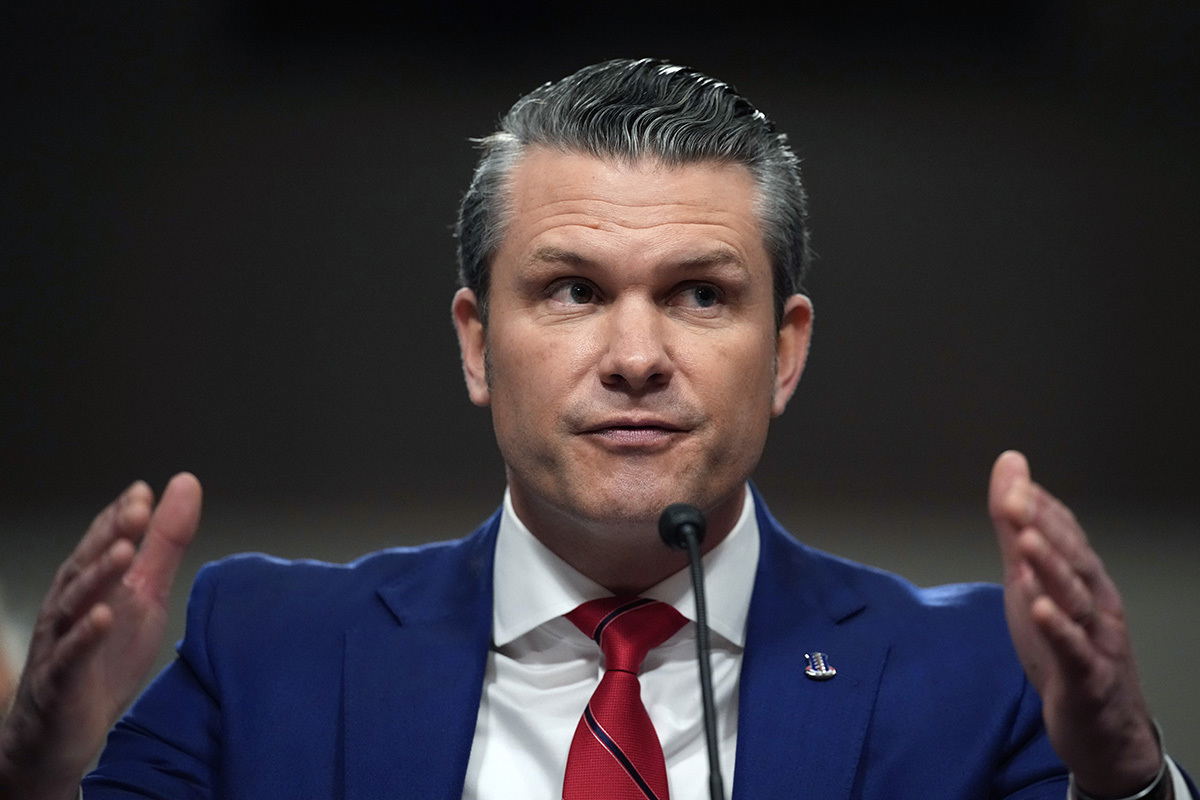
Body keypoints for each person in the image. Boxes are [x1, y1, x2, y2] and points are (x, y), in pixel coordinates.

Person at [0, 58, 1193, 800]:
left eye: (700, 294)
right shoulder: (266, 649)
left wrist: (1129, 778)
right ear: (477, 342)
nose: (634, 355)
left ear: (785, 351)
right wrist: (40, 777)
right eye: (572, 288)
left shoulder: (979, 674)